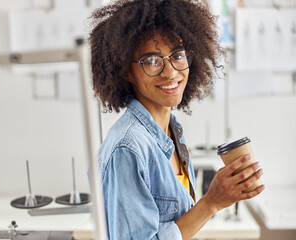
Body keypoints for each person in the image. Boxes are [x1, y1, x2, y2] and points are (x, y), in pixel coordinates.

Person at [88, 0, 264, 239]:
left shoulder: (172, 131)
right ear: (126, 71)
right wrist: (211, 203)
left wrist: (220, 197)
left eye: (178, 55)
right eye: (151, 60)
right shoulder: (127, 149)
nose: (170, 71)